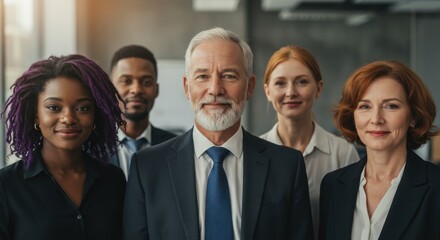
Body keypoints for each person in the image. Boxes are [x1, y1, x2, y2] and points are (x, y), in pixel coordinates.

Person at [123, 27, 314, 239]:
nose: (215, 89)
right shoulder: (147, 167)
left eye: (229, 76)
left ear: (249, 87)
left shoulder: (287, 166)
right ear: (187, 87)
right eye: (203, 76)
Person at [0, 55, 126, 240]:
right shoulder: (6, 186)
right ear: (36, 115)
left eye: (82, 108)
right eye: (54, 107)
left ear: (95, 115)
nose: (68, 118)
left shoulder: (113, 180)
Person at [319, 60, 440, 240]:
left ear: (413, 116)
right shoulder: (333, 186)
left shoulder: (436, 186)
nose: (376, 119)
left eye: (390, 106)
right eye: (365, 106)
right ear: (353, 116)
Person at [260, 45, 359, 237]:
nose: (290, 92)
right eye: (280, 83)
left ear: (318, 88)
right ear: (268, 91)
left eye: (302, 82)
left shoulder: (343, 153)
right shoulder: (253, 154)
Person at [109, 45, 177, 178]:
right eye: (126, 81)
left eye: (146, 82)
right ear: (111, 88)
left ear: (156, 89)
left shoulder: (177, 148)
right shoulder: (91, 148)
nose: (136, 89)